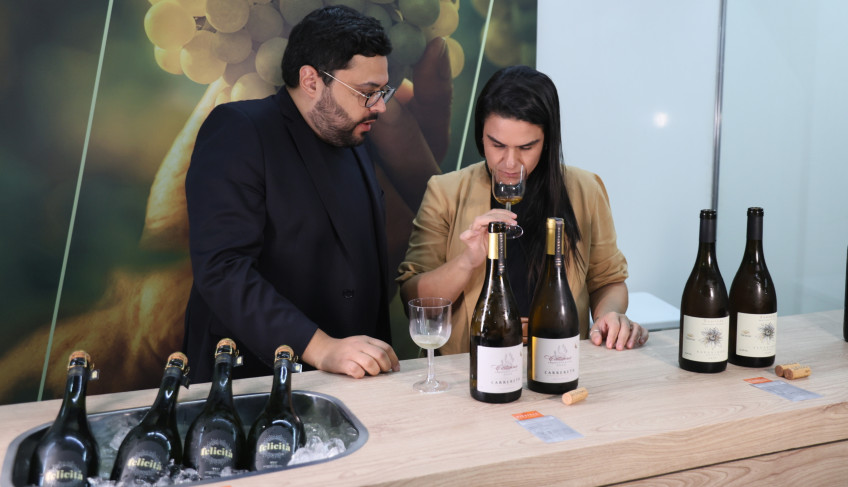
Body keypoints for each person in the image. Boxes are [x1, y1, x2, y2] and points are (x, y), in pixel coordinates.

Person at [183, 6, 403, 383]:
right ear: (311, 80)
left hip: (351, 380)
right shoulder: (239, 130)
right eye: (367, 93)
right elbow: (223, 270)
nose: (380, 106)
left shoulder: (352, 134)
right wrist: (321, 347)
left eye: (383, 92)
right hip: (251, 382)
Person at [397, 65, 649, 356]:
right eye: (497, 145)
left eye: (526, 147)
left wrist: (609, 316)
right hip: (471, 364)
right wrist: (467, 261)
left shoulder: (585, 189)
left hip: (559, 359)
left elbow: (608, 281)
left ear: (548, 140)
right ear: (481, 135)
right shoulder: (445, 192)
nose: (509, 163)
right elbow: (413, 299)